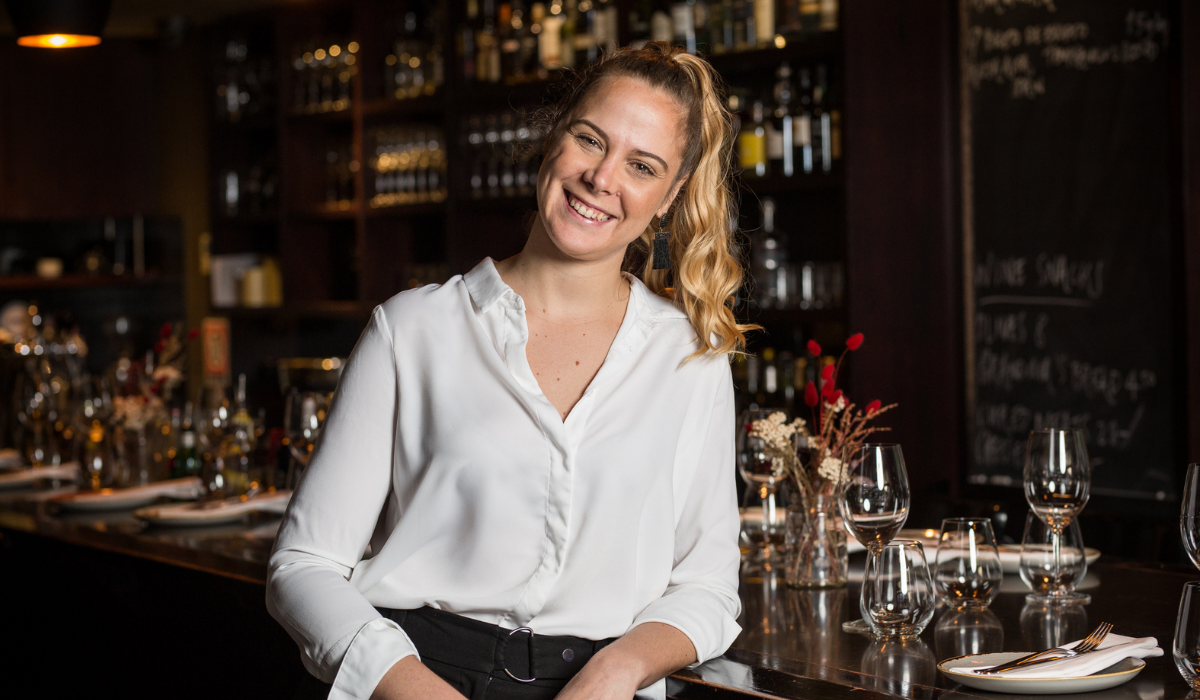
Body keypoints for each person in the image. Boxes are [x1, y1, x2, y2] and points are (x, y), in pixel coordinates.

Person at [266, 42, 753, 700]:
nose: (602, 178)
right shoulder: (410, 331)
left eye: (642, 165)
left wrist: (618, 669)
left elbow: (708, 585)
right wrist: (406, 682)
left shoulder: (690, 357)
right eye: (590, 140)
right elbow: (303, 565)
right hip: (417, 677)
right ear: (554, 139)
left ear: (667, 198)